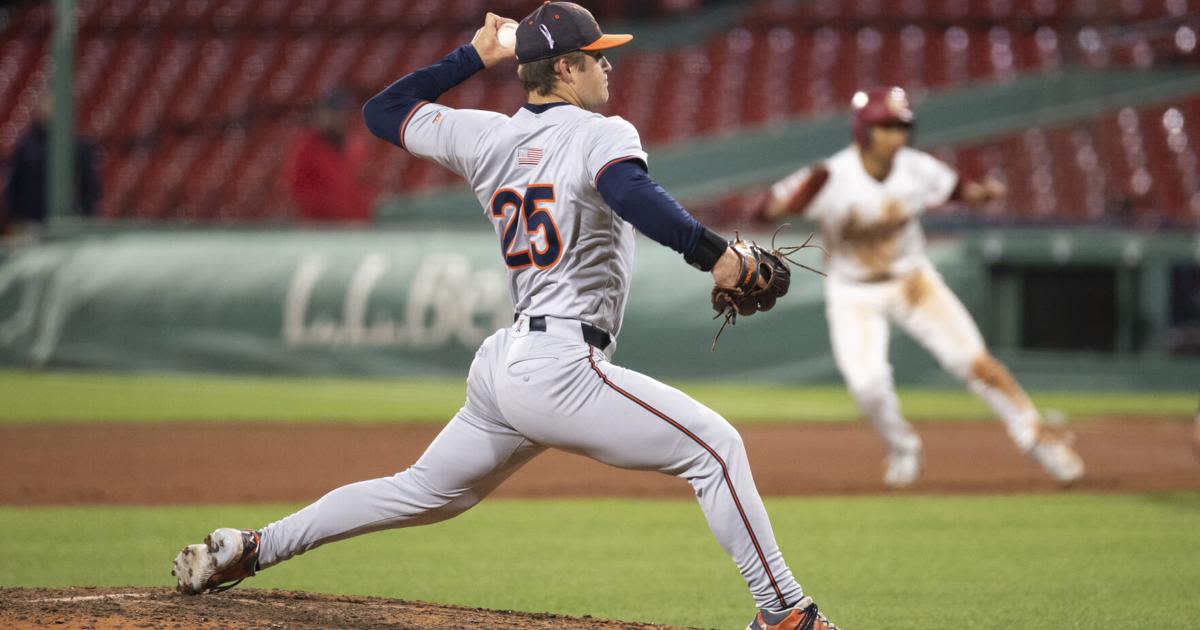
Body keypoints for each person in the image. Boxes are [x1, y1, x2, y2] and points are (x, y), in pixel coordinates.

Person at [172, 5, 838, 629]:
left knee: (422, 491)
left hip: (508, 364)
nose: (609, 67)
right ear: (567, 68)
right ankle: (784, 610)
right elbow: (629, 190)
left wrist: (474, 54)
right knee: (715, 449)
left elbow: (384, 111)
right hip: (559, 368)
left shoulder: (486, 134)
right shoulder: (601, 133)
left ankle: (254, 547)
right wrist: (715, 255)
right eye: (597, 56)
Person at [760, 86, 1084, 489]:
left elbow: (955, 188)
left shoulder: (916, 168)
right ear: (865, 130)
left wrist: (981, 194)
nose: (897, 134)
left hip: (912, 280)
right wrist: (796, 198)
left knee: (974, 362)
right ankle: (902, 447)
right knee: (867, 386)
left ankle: (1039, 440)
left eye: (901, 126)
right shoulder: (833, 174)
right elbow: (766, 208)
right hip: (853, 292)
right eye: (886, 126)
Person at [3, 95, 100, 240]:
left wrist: (86, 216)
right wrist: (15, 218)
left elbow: (89, 186)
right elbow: (14, 183)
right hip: (31, 223)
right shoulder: (26, 145)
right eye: (47, 103)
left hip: (69, 223)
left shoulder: (78, 145)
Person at [280, 89, 376, 223]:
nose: (338, 118)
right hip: (322, 230)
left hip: (355, 227)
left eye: (342, 113)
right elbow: (299, 189)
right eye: (332, 112)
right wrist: (329, 209)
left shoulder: (357, 146)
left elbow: (366, 184)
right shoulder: (307, 148)